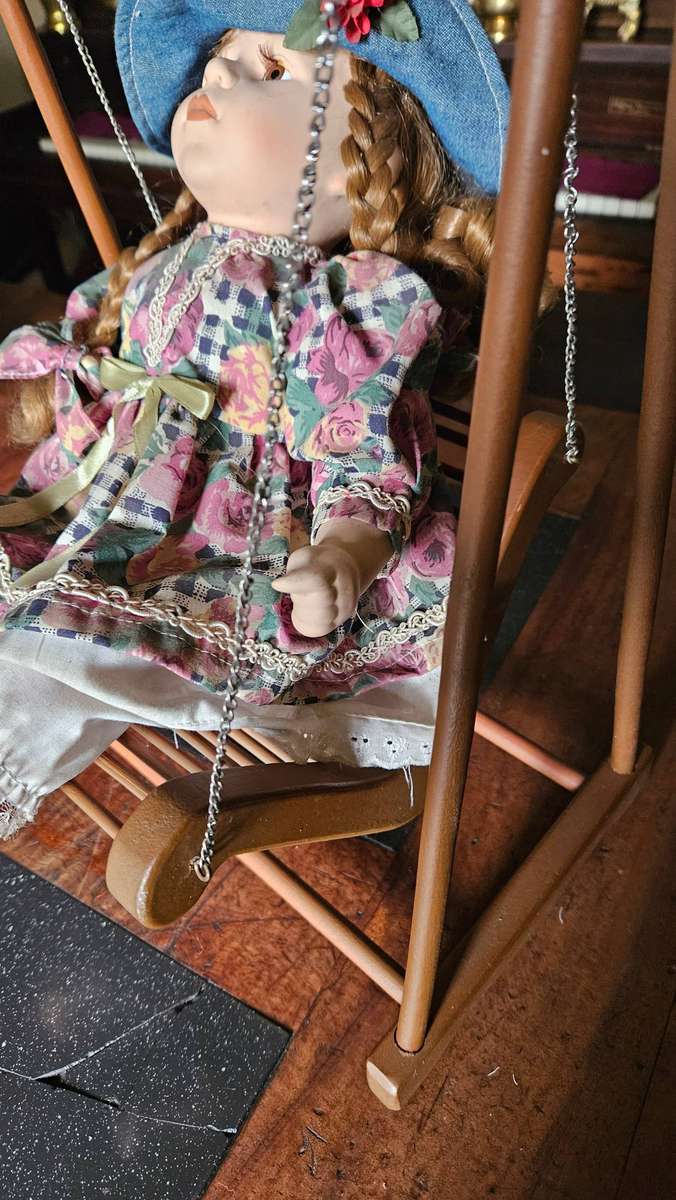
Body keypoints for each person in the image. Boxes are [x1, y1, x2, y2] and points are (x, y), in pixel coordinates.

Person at [0, 0, 509, 838]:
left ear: (360, 166)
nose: (220, 70)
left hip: (228, 534)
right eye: (225, 53)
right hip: (101, 497)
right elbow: (100, 342)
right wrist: (50, 382)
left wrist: (348, 549)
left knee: (53, 649)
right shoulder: (169, 257)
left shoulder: (344, 302)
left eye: (271, 69)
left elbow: (360, 439)